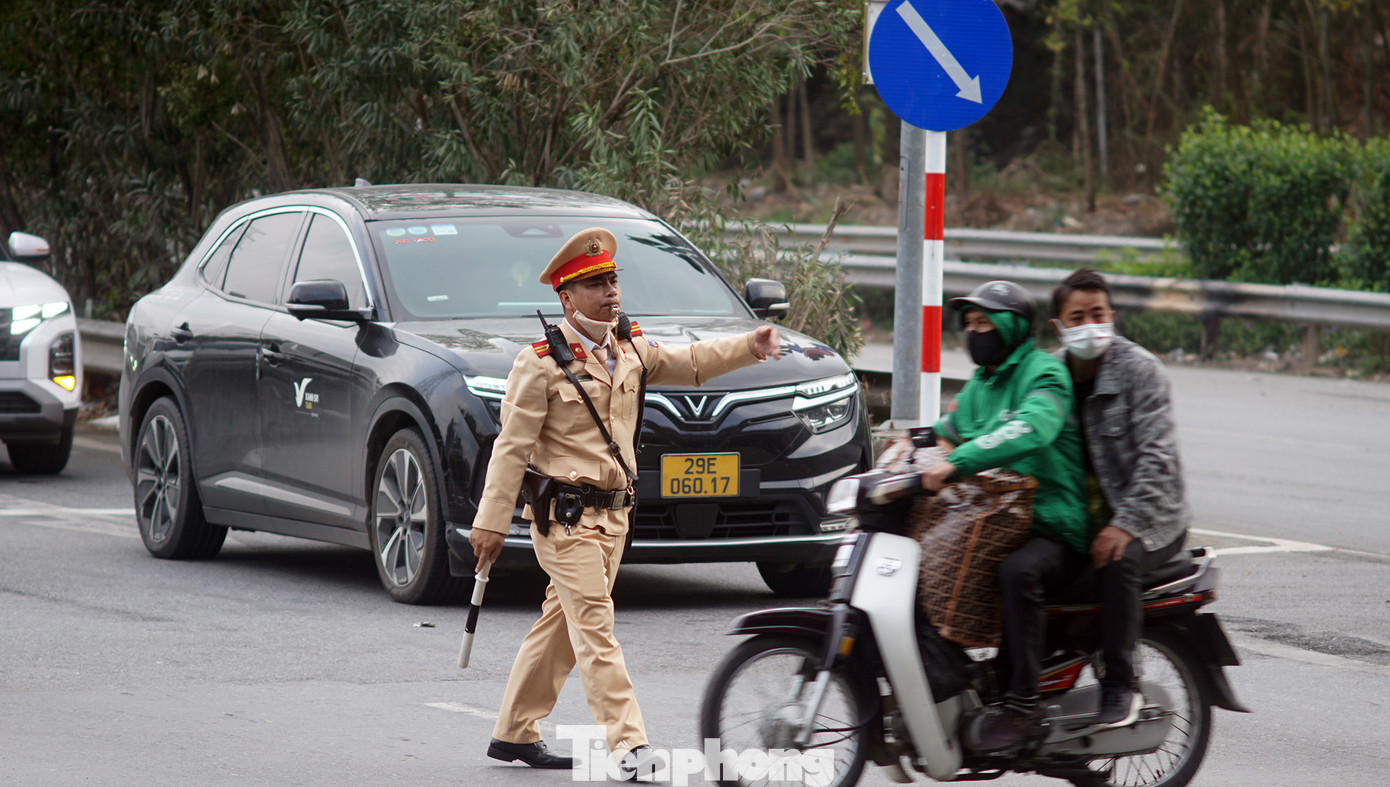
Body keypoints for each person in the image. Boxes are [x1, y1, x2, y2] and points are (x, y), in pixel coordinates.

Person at [469, 227, 781, 780]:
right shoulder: (539, 363)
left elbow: (690, 361)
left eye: (612, 281)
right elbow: (510, 449)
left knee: (562, 626)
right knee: (595, 627)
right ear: (567, 298)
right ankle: (629, 745)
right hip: (564, 521)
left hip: (614, 517)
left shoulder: (630, 347)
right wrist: (490, 523)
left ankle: (514, 731)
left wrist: (748, 347)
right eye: (595, 284)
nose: (610, 292)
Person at [918, 280, 1088, 752]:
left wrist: (956, 462)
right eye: (970, 324)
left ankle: (1023, 703)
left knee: (1018, 572)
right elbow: (947, 431)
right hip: (997, 519)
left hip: (1051, 523)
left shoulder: (1044, 374)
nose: (975, 332)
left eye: (985, 322)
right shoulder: (982, 383)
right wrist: (905, 453)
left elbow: (1031, 427)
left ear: (1012, 327)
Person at [1049, 267, 1189, 730]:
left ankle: (1120, 684)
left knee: (1117, 560)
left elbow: (1158, 460)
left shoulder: (1141, 371)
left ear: (1112, 316)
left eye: (1099, 314)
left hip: (1150, 522)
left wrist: (1124, 524)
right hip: (1082, 521)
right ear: (1059, 326)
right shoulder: (1049, 376)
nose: (1090, 325)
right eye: (1078, 317)